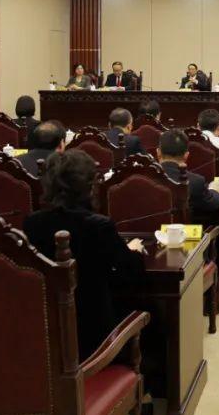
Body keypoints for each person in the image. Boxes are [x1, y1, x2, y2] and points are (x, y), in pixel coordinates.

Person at [22, 149, 146, 362]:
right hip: (97, 340)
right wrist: (133, 251)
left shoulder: (32, 223)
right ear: (90, 187)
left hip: (48, 336)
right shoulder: (99, 226)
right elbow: (131, 273)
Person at [156, 129, 219, 217]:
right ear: (186, 155)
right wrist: (214, 189)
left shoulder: (143, 179)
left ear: (158, 152)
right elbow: (213, 203)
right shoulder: (195, 182)